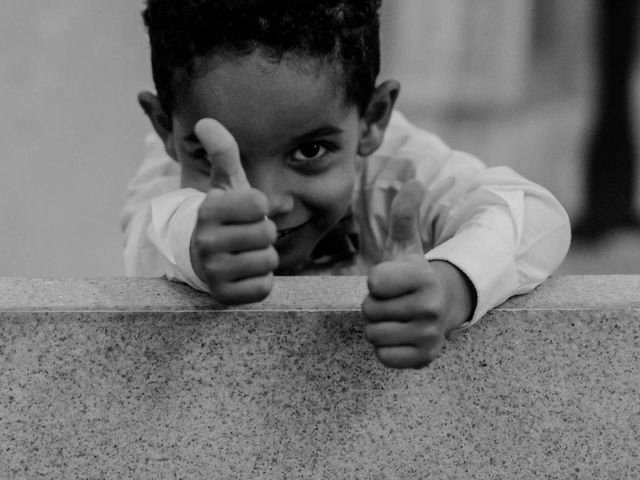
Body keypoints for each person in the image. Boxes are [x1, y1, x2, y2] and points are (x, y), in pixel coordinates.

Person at [121, 0, 571, 369]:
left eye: (311, 152)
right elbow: (154, 233)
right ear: (164, 127)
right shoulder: (170, 182)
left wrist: (450, 288)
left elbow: (534, 214)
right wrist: (198, 243)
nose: (267, 201)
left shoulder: (398, 170)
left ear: (373, 120)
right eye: (220, 156)